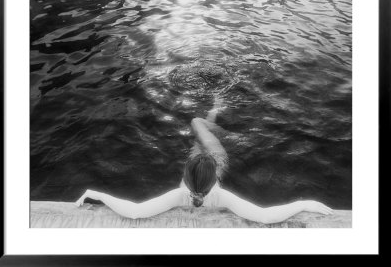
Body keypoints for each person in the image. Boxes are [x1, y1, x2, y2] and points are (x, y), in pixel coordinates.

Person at [76, 95, 333, 224]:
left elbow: (134, 213)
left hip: (207, 160)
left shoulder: (178, 196)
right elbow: (264, 217)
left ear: (186, 175)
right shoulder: (222, 198)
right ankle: (217, 111)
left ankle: (215, 117)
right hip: (216, 157)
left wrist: (97, 194)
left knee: (196, 126)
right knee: (199, 127)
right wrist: (304, 203)